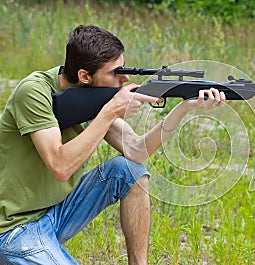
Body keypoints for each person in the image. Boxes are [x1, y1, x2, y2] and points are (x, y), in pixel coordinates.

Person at [0, 25, 225, 264]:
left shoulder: (93, 97)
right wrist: (109, 112)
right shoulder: (33, 92)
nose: (125, 78)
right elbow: (60, 166)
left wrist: (184, 108)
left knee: (128, 170)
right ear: (85, 76)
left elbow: (137, 151)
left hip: (55, 213)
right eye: (116, 72)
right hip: (14, 229)